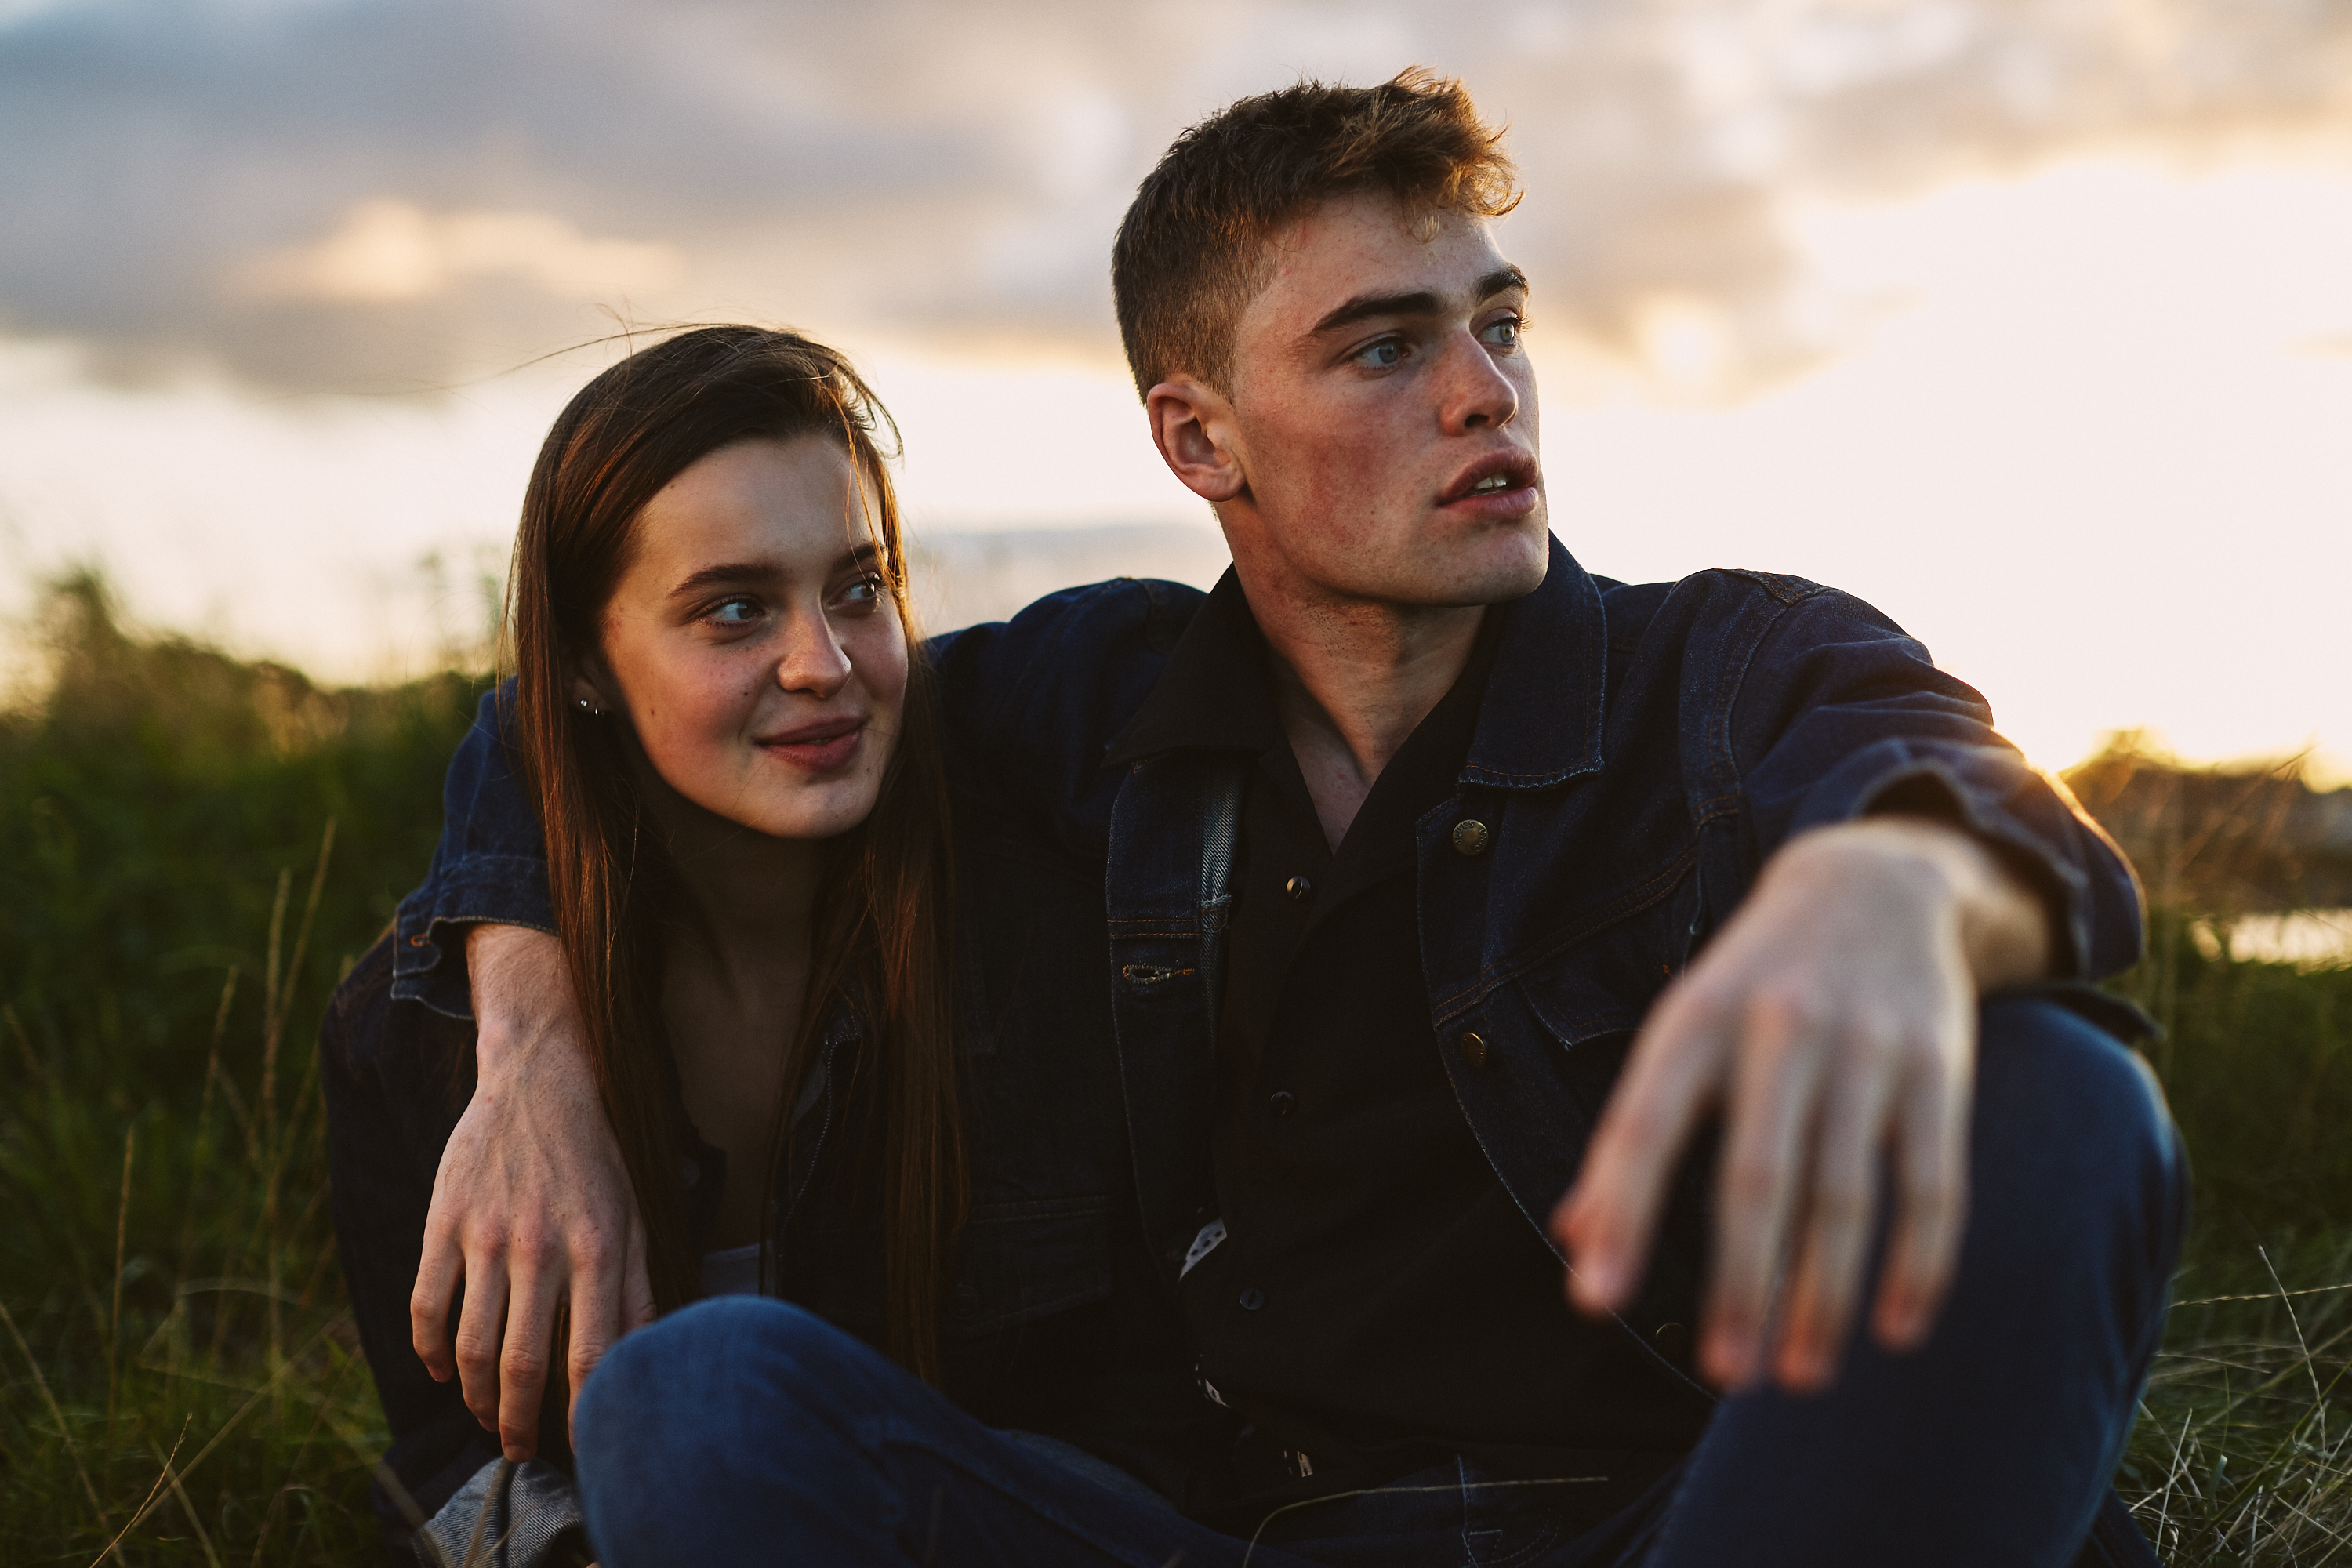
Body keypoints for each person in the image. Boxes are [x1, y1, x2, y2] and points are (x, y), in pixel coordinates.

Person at [393, 73, 2183, 1566]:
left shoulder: (1721, 670)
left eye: (1496, 325)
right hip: (1255, 1538)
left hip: (1686, 1515)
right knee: (691, 1400)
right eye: (1383, 350)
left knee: (2063, 1102)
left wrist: (1896, 888)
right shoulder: (1097, 708)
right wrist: (528, 1044)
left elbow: (1955, 780)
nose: (1483, 390)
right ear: (1200, 439)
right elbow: (600, 710)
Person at [323, 327, 1180, 1564]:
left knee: (702, 1392)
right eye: (733, 610)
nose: (822, 664)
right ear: (581, 664)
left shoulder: (1039, 922)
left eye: (857, 587)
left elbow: (1147, 1419)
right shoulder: (414, 1036)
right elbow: (451, 1462)